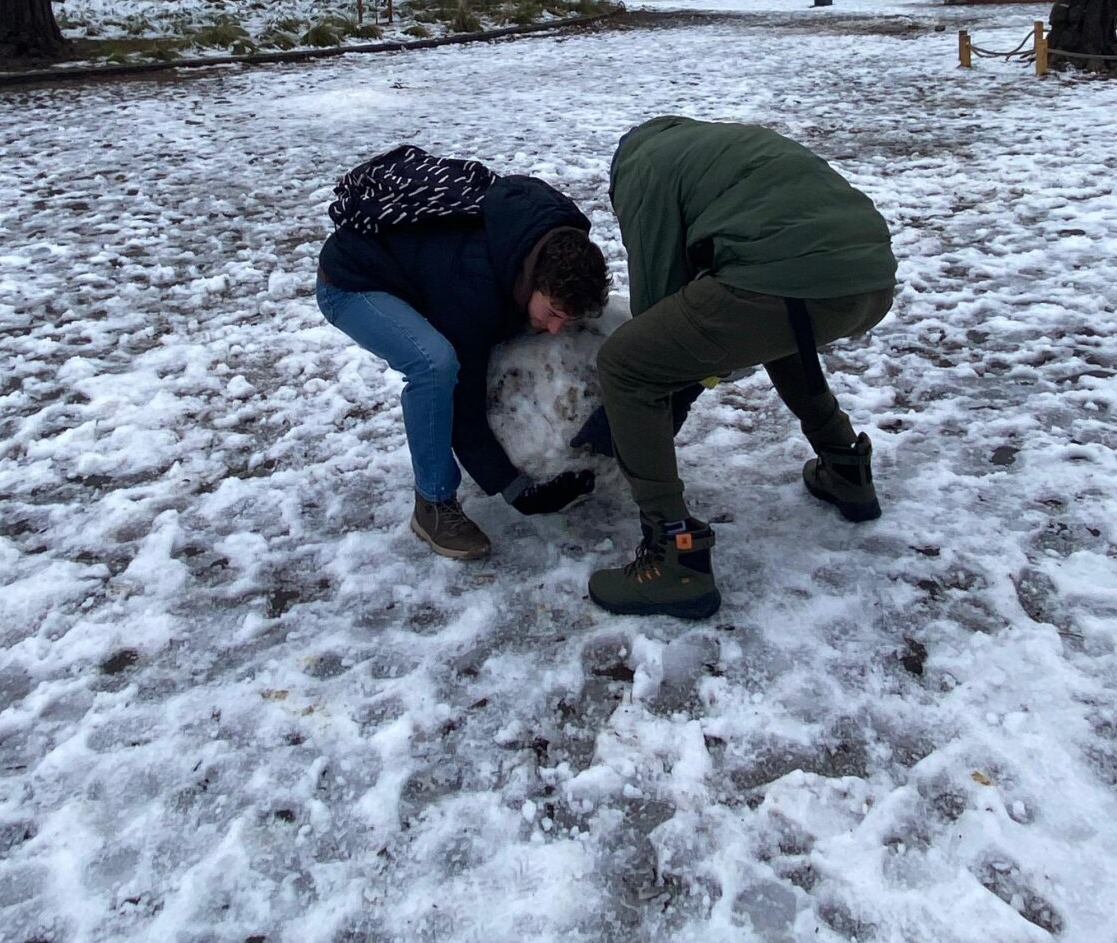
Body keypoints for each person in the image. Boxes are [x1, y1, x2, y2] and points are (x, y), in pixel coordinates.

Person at [583, 115, 896, 619]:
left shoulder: (642, 170)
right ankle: (844, 465)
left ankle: (672, 554)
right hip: (872, 276)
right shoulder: (717, 145)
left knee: (624, 363)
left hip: (791, 277)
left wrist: (636, 416)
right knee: (775, 323)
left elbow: (659, 299)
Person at [317, 163, 610, 562]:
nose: (556, 328)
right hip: (352, 283)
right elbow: (463, 395)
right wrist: (514, 488)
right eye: (553, 312)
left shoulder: (556, 244)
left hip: (421, 269)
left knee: (486, 340)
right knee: (434, 365)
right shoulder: (474, 283)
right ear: (534, 281)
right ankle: (434, 506)